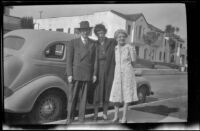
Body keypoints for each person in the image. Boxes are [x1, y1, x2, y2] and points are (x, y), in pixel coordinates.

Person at [65, 21, 98, 124]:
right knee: (72, 98)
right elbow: (69, 60)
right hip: (75, 74)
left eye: (87, 31)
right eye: (83, 31)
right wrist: (70, 74)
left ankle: (81, 118)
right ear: (80, 32)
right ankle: (69, 118)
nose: (85, 33)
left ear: (89, 31)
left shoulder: (93, 43)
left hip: (87, 74)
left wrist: (94, 74)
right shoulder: (73, 42)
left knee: (83, 99)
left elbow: (95, 60)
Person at [109, 29, 138, 123]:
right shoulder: (115, 48)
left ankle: (124, 117)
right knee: (116, 95)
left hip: (127, 73)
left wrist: (132, 50)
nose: (121, 38)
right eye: (119, 37)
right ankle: (116, 116)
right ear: (116, 38)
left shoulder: (129, 47)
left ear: (125, 38)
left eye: (123, 37)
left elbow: (134, 61)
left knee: (126, 95)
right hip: (117, 74)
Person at [92, 24, 117, 121]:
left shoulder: (111, 42)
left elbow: (120, 46)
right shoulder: (95, 44)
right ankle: (95, 114)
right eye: (99, 33)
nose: (101, 35)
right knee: (97, 94)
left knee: (107, 93)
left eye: (102, 33)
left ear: (105, 32)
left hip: (109, 70)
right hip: (98, 71)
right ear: (96, 34)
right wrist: (94, 73)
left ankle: (105, 113)